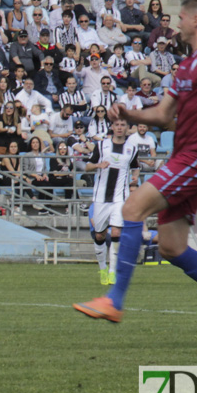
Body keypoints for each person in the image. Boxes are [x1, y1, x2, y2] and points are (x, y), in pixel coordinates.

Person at [73, 0, 197, 348]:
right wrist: (130, 115)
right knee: (172, 247)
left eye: (181, 17)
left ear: (196, 21)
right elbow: (162, 115)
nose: (175, 23)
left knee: (131, 209)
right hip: (183, 155)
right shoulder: (188, 65)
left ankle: (114, 301)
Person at [85, 117, 141, 286]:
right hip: (101, 198)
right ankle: (102, 268)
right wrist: (97, 166)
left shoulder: (132, 148)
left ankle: (112, 271)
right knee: (100, 235)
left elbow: (136, 166)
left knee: (116, 232)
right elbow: (87, 166)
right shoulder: (102, 145)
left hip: (120, 198)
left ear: (127, 128)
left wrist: (135, 178)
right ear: (112, 127)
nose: (119, 127)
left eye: (122, 124)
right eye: (116, 124)